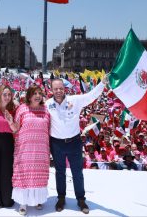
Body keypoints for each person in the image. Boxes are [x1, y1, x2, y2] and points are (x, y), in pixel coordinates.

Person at [45, 77, 107, 214]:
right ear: (51, 90)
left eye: (61, 88)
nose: (59, 91)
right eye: (56, 89)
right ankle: (61, 198)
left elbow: (91, 96)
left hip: (74, 142)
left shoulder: (75, 100)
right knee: (60, 172)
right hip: (56, 143)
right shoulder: (47, 104)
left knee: (77, 172)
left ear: (64, 88)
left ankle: (81, 199)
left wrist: (102, 83)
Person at [6, 84, 51, 215]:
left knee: (39, 176)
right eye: (34, 93)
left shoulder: (46, 110)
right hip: (24, 149)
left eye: (39, 93)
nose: (37, 96)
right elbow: (15, 129)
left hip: (41, 150)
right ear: (29, 96)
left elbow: (49, 129)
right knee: (24, 175)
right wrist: (10, 121)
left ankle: (38, 200)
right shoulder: (22, 109)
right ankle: (23, 202)